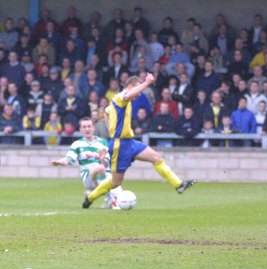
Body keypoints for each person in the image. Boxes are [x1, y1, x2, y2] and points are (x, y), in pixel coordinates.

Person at [82, 73, 196, 208]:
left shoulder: (120, 100)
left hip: (129, 142)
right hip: (120, 145)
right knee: (115, 182)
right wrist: (146, 83)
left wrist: (111, 129)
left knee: (156, 158)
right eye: (137, 89)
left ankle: (178, 185)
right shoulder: (120, 97)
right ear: (130, 86)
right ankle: (90, 197)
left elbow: (106, 112)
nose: (139, 94)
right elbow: (127, 96)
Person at [51, 117, 122, 209]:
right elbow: (69, 159)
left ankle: (99, 198)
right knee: (100, 170)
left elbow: (106, 165)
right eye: (84, 127)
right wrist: (60, 162)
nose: (87, 129)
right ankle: (109, 199)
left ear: (93, 128)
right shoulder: (77, 144)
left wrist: (102, 159)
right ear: (80, 129)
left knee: (120, 193)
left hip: (105, 175)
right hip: (88, 177)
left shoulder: (103, 142)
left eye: (89, 126)